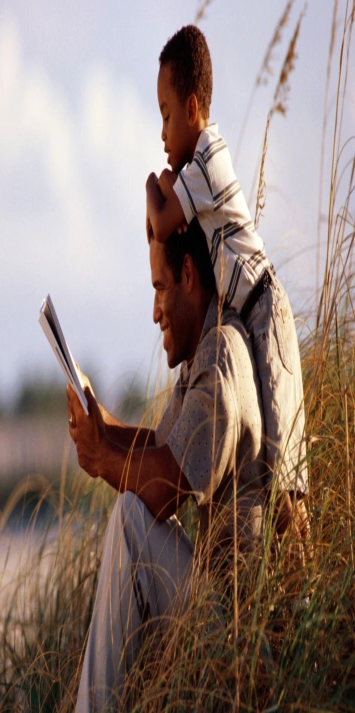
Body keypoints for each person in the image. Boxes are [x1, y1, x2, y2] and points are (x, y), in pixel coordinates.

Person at [68, 223, 268, 712]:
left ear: (188, 274)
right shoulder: (206, 351)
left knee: (133, 520)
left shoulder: (220, 357)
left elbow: (164, 489)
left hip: (242, 644)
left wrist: (99, 457)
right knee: (130, 516)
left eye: (160, 288)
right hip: (216, 616)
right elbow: (160, 448)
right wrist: (101, 422)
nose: (155, 311)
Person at [144, 25, 308, 514]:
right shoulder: (199, 165)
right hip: (252, 309)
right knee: (269, 452)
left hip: (263, 308)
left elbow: (162, 219)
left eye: (167, 116)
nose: (163, 132)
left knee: (284, 459)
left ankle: (297, 553)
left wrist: (154, 183)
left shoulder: (207, 162)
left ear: (192, 109)